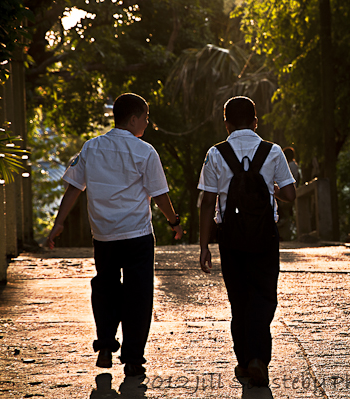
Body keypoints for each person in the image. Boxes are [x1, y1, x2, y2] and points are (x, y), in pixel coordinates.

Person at [46, 93, 183, 377]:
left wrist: (58, 224)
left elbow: (73, 188)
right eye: (145, 117)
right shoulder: (145, 151)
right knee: (139, 294)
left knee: (106, 287)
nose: (147, 122)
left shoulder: (91, 148)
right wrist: (174, 221)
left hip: (104, 236)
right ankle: (133, 358)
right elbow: (160, 195)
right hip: (137, 235)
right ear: (133, 119)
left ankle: (106, 344)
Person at [198, 96, 296, 387]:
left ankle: (243, 361)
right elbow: (290, 195)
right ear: (256, 121)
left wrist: (204, 245)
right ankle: (259, 359)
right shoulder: (273, 151)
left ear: (226, 123)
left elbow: (207, 202)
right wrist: (273, 190)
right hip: (265, 236)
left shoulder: (216, 153)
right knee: (263, 297)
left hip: (230, 238)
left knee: (238, 299)